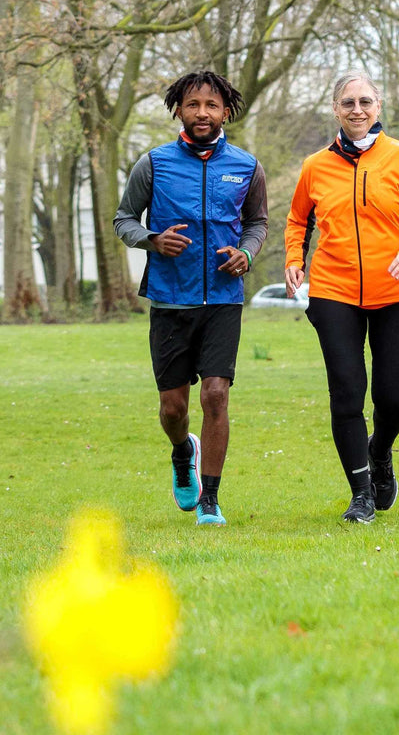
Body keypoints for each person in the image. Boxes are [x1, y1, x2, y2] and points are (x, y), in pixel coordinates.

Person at [284, 72, 399, 524]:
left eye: (366, 101)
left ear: (379, 106)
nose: (358, 110)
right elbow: (298, 221)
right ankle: (361, 494)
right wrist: (293, 258)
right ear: (335, 108)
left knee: (393, 400)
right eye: (348, 102)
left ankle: (381, 451)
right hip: (334, 292)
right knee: (347, 394)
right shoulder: (315, 165)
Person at [114, 71, 268, 527]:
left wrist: (246, 253)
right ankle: (183, 451)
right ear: (179, 109)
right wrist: (152, 239)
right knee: (174, 408)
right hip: (170, 301)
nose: (203, 113)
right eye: (194, 104)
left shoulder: (246, 165)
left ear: (226, 111)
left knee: (216, 396)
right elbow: (124, 219)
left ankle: (210, 501)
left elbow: (258, 223)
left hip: (223, 300)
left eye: (212, 105)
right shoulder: (154, 164)